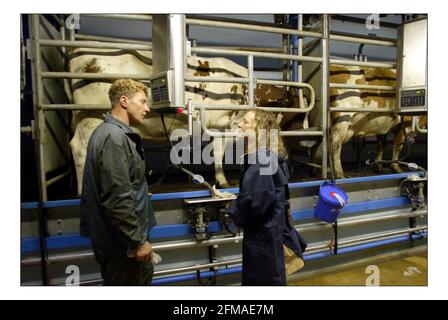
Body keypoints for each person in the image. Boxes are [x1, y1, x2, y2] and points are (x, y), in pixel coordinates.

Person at [80, 79, 157, 286]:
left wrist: (139, 191)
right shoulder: (114, 137)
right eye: (142, 101)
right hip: (121, 246)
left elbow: (120, 185)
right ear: (124, 101)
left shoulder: (110, 132)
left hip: (120, 241)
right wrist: (138, 242)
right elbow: (117, 197)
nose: (147, 108)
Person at [227, 109, 307, 286]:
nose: (239, 124)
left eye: (246, 122)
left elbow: (253, 202)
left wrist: (232, 211)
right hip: (271, 232)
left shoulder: (261, 161)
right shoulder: (270, 156)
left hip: (262, 238)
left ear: (260, 129)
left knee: (261, 281)